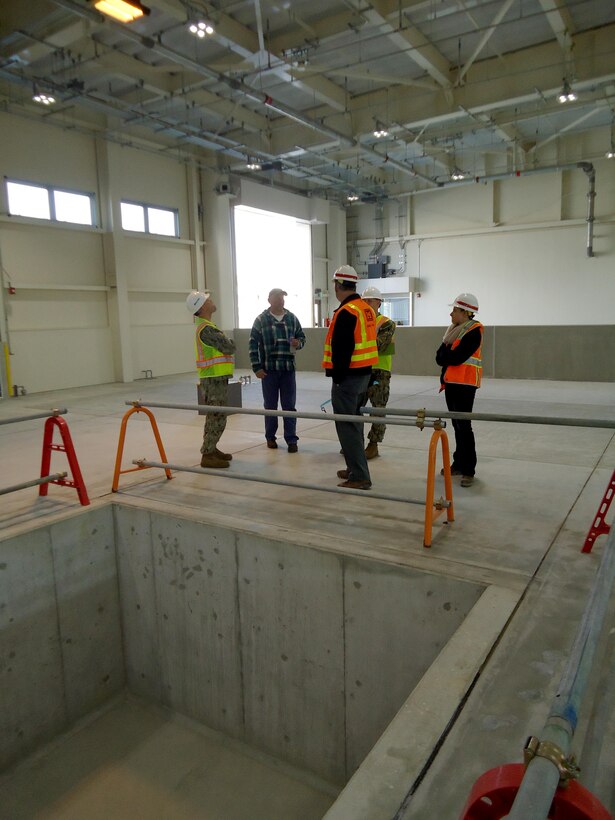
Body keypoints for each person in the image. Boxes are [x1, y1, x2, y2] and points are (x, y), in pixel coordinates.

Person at [323, 265, 378, 490]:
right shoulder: (365, 308)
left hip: (348, 378)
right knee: (355, 426)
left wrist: (337, 377)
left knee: (347, 427)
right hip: (364, 375)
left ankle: (359, 477)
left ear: (337, 285)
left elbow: (342, 350)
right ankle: (355, 468)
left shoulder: (347, 312)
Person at [249, 288, 306, 452]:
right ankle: (270, 437)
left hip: (288, 370)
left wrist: (298, 343)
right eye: (277, 298)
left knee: (289, 406)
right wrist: (256, 367)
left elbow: (302, 337)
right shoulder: (261, 320)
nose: (281, 301)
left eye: (282, 298)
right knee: (270, 406)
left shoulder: (292, 318)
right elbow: (252, 345)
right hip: (269, 371)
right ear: (269, 300)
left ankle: (291, 439)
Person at [435, 293, 483, 487]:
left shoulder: (474, 331)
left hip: (465, 385)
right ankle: (458, 463)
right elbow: (440, 357)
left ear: (465, 312)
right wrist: (448, 354)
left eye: (454, 310)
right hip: (451, 383)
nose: (451, 313)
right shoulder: (453, 330)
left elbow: (456, 357)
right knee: (456, 425)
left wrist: (448, 354)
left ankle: (469, 469)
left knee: (464, 426)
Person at [186, 289, 236, 469]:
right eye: (208, 300)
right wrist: (228, 342)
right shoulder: (206, 329)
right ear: (202, 306)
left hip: (216, 378)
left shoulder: (207, 326)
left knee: (216, 416)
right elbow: (229, 347)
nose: (211, 300)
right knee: (216, 416)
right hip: (213, 379)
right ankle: (207, 454)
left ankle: (211, 448)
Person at [361, 286, 396, 460]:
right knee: (355, 409)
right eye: (364, 301)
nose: (366, 304)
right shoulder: (358, 321)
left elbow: (378, 345)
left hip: (379, 372)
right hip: (360, 370)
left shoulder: (386, 323)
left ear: (379, 303)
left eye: (370, 300)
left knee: (377, 409)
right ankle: (355, 443)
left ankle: (373, 445)